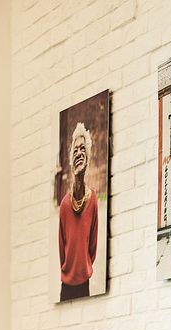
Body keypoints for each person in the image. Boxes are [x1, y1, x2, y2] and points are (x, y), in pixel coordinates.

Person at [58, 122, 98, 300]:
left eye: (82, 149)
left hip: (84, 285)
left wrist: (84, 267)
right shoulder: (65, 205)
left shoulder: (93, 200)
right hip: (66, 287)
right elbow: (61, 249)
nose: (79, 153)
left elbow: (93, 248)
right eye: (75, 150)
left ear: (88, 158)